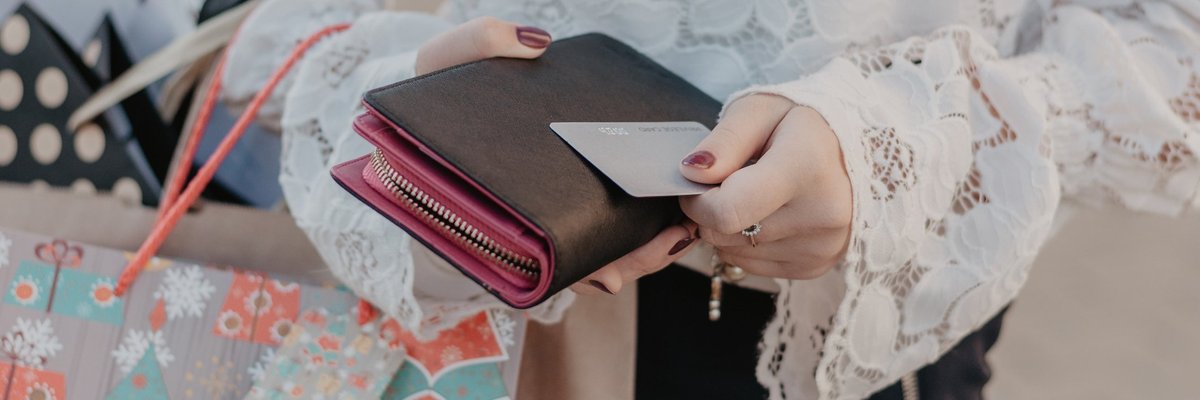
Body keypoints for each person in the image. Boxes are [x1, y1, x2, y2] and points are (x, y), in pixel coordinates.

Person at [220, 0, 1200, 398]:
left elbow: (1173, 45)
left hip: (841, 334)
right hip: (469, 292)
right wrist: (397, 91)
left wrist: (902, 148)